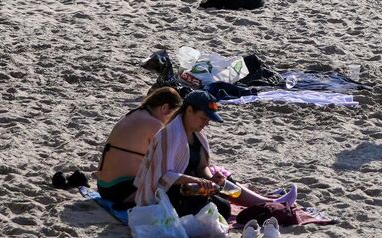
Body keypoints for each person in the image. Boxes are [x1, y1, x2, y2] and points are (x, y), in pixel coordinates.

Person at [132, 90, 288, 221]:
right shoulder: (169, 136)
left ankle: (266, 202)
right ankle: (267, 204)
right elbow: (165, 176)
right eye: (203, 118)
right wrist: (199, 181)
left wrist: (210, 178)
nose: (205, 124)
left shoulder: (197, 135)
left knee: (224, 181)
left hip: (191, 188)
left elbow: (201, 166)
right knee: (224, 208)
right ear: (189, 110)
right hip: (170, 195)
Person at [94, 86, 182, 211]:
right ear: (164, 108)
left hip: (103, 186)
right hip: (121, 190)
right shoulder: (154, 124)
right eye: (171, 117)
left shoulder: (134, 114)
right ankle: (132, 202)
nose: (170, 122)